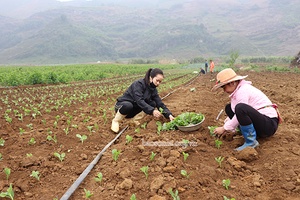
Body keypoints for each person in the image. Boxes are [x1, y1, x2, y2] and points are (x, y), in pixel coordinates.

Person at [212, 68, 281, 151]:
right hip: (261, 122)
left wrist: (224, 128)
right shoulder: (238, 91)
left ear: (232, 83)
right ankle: (248, 133)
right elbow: (236, 112)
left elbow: (240, 111)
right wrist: (229, 123)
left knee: (241, 108)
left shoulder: (243, 90)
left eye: (224, 87)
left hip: (268, 125)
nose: (224, 90)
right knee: (229, 108)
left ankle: (251, 142)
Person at [111, 68, 175, 133]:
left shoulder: (153, 90)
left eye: (160, 82)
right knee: (128, 105)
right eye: (157, 80)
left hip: (134, 110)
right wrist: (152, 111)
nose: (158, 83)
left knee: (153, 103)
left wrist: (169, 115)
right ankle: (116, 121)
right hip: (122, 107)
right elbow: (139, 100)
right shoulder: (139, 84)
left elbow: (159, 103)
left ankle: (134, 121)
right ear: (151, 77)